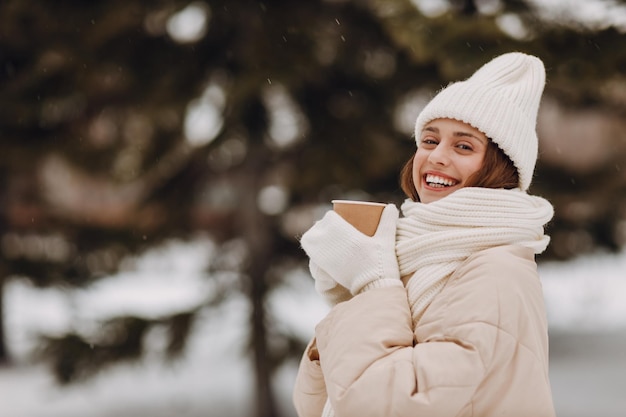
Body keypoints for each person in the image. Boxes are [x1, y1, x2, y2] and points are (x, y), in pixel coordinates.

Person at [294, 52, 556, 417]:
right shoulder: (416, 253)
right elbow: (316, 403)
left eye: (463, 146)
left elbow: (389, 406)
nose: (436, 157)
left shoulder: (495, 273)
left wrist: (372, 286)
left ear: (501, 169)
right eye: (430, 141)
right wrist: (348, 301)